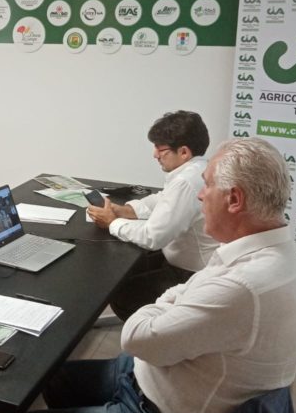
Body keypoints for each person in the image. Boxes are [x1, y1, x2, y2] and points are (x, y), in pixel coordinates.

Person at [12, 138, 296, 413]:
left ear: (234, 199)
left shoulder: (242, 286)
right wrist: (178, 298)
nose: (201, 195)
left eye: (208, 186)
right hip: (149, 373)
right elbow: (188, 289)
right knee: (53, 379)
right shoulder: (272, 250)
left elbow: (136, 337)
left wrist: (165, 303)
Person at [88, 110, 218, 320]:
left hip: (191, 275)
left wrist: (113, 222)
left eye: (160, 148)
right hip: (188, 262)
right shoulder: (197, 169)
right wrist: (125, 210)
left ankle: (150, 332)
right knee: (129, 270)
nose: (155, 155)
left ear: (184, 152)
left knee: (121, 294)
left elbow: (153, 237)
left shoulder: (186, 182)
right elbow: (162, 199)